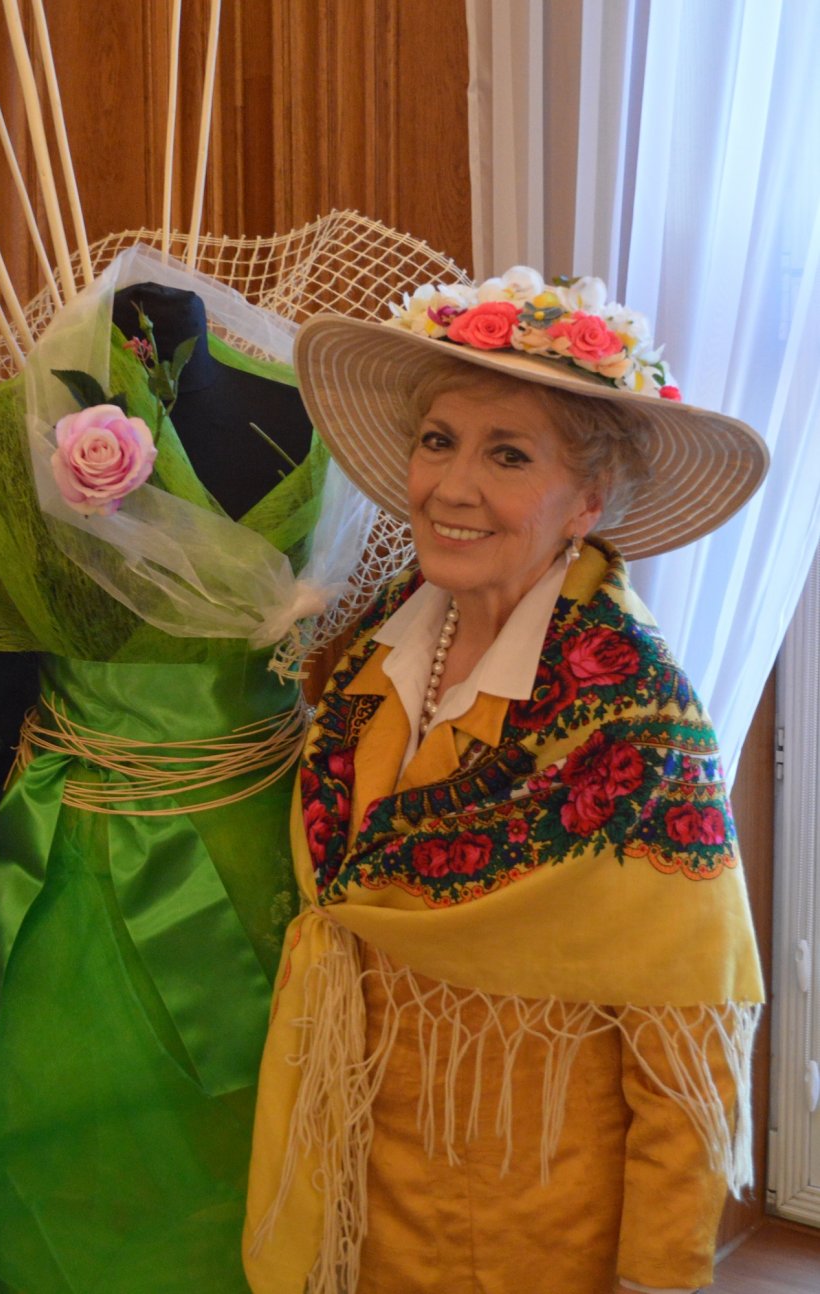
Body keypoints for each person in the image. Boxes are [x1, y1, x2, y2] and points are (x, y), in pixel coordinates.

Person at [242, 268, 769, 1294]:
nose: (451, 486)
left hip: (526, 1225)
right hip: (348, 1187)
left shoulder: (637, 716)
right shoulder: (372, 650)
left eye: (508, 454)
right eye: (437, 439)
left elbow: (687, 1036)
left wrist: (656, 1277)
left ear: (588, 502)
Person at [0, 243, 377, 1293]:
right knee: (78, 1123)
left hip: (267, 836)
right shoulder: (11, 437)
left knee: (262, 1132)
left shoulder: (311, 412)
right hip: (82, 846)